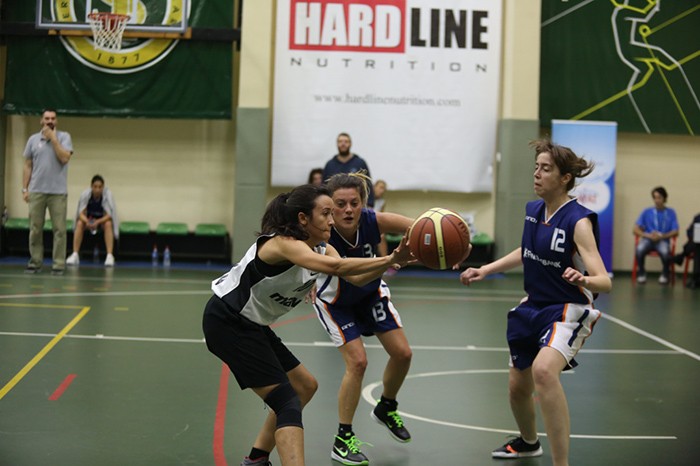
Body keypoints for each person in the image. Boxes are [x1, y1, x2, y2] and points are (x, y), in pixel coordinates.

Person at [201, 184, 412, 466]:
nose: (332, 220)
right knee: (286, 400)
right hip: (227, 321)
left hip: (253, 324)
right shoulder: (283, 243)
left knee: (304, 386)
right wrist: (390, 259)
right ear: (303, 218)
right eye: (325, 213)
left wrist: (393, 262)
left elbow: (354, 277)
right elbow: (336, 268)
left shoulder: (322, 247)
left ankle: (256, 459)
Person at [459, 139, 612, 466]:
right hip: (533, 305)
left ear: (565, 178)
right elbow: (526, 251)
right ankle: (529, 443)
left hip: (568, 309)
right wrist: (485, 269)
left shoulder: (579, 221)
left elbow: (605, 280)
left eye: (546, 169)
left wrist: (584, 280)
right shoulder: (534, 211)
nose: (537, 174)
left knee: (543, 371)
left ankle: (561, 463)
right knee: (517, 386)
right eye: (536, 167)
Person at [314, 173, 416, 466]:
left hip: (370, 295)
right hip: (336, 301)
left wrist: (452, 244)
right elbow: (353, 276)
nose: (348, 210)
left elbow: (422, 226)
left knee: (403, 353)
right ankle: (342, 439)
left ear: (364, 204)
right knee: (358, 362)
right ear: (329, 207)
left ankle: (386, 406)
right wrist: (392, 259)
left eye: (354, 203)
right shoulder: (323, 234)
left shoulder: (373, 220)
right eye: (340, 204)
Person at [22, 109, 74, 275]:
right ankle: (35, 262)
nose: (50, 121)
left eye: (53, 118)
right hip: (37, 191)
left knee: (59, 230)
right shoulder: (32, 140)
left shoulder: (64, 137)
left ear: (56, 121)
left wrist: (53, 139)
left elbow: (64, 158)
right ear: (41, 121)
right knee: (35, 229)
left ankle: (58, 264)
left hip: (57, 192)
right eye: (47, 118)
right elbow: (28, 165)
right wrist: (25, 188)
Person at [66, 174, 119, 267]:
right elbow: (80, 213)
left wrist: (97, 222)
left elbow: (109, 215)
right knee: (79, 223)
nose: (97, 189)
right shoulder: (86, 195)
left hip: (101, 222)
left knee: (108, 224)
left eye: (100, 187)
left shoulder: (107, 196)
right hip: (88, 221)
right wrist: (87, 222)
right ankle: (75, 254)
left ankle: (109, 256)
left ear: (103, 187)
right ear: (91, 186)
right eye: (95, 187)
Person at [633, 186, 679, 284]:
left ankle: (665, 274)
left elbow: (675, 231)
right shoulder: (647, 212)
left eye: (659, 198)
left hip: (663, 240)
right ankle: (641, 273)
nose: (657, 200)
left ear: (665, 198)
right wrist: (648, 235)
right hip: (648, 239)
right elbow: (635, 229)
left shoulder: (671, 212)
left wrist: (662, 236)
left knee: (666, 252)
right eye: (655, 198)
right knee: (639, 249)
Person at [322, 133, 375, 208]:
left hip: (356, 206)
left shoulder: (360, 162)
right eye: (340, 141)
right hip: (335, 207)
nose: (343, 144)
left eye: (346, 141)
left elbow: (368, 184)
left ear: (350, 144)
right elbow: (324, 187)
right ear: (337, 144)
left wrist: (370, 204)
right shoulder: (330, 164)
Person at [673, 212, 700, 289]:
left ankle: (681, 256)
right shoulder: (698, 217)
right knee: (697, 245)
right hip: (697, 244)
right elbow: (689, 231)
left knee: (694, 246)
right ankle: (696, 278)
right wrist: (694, 237)